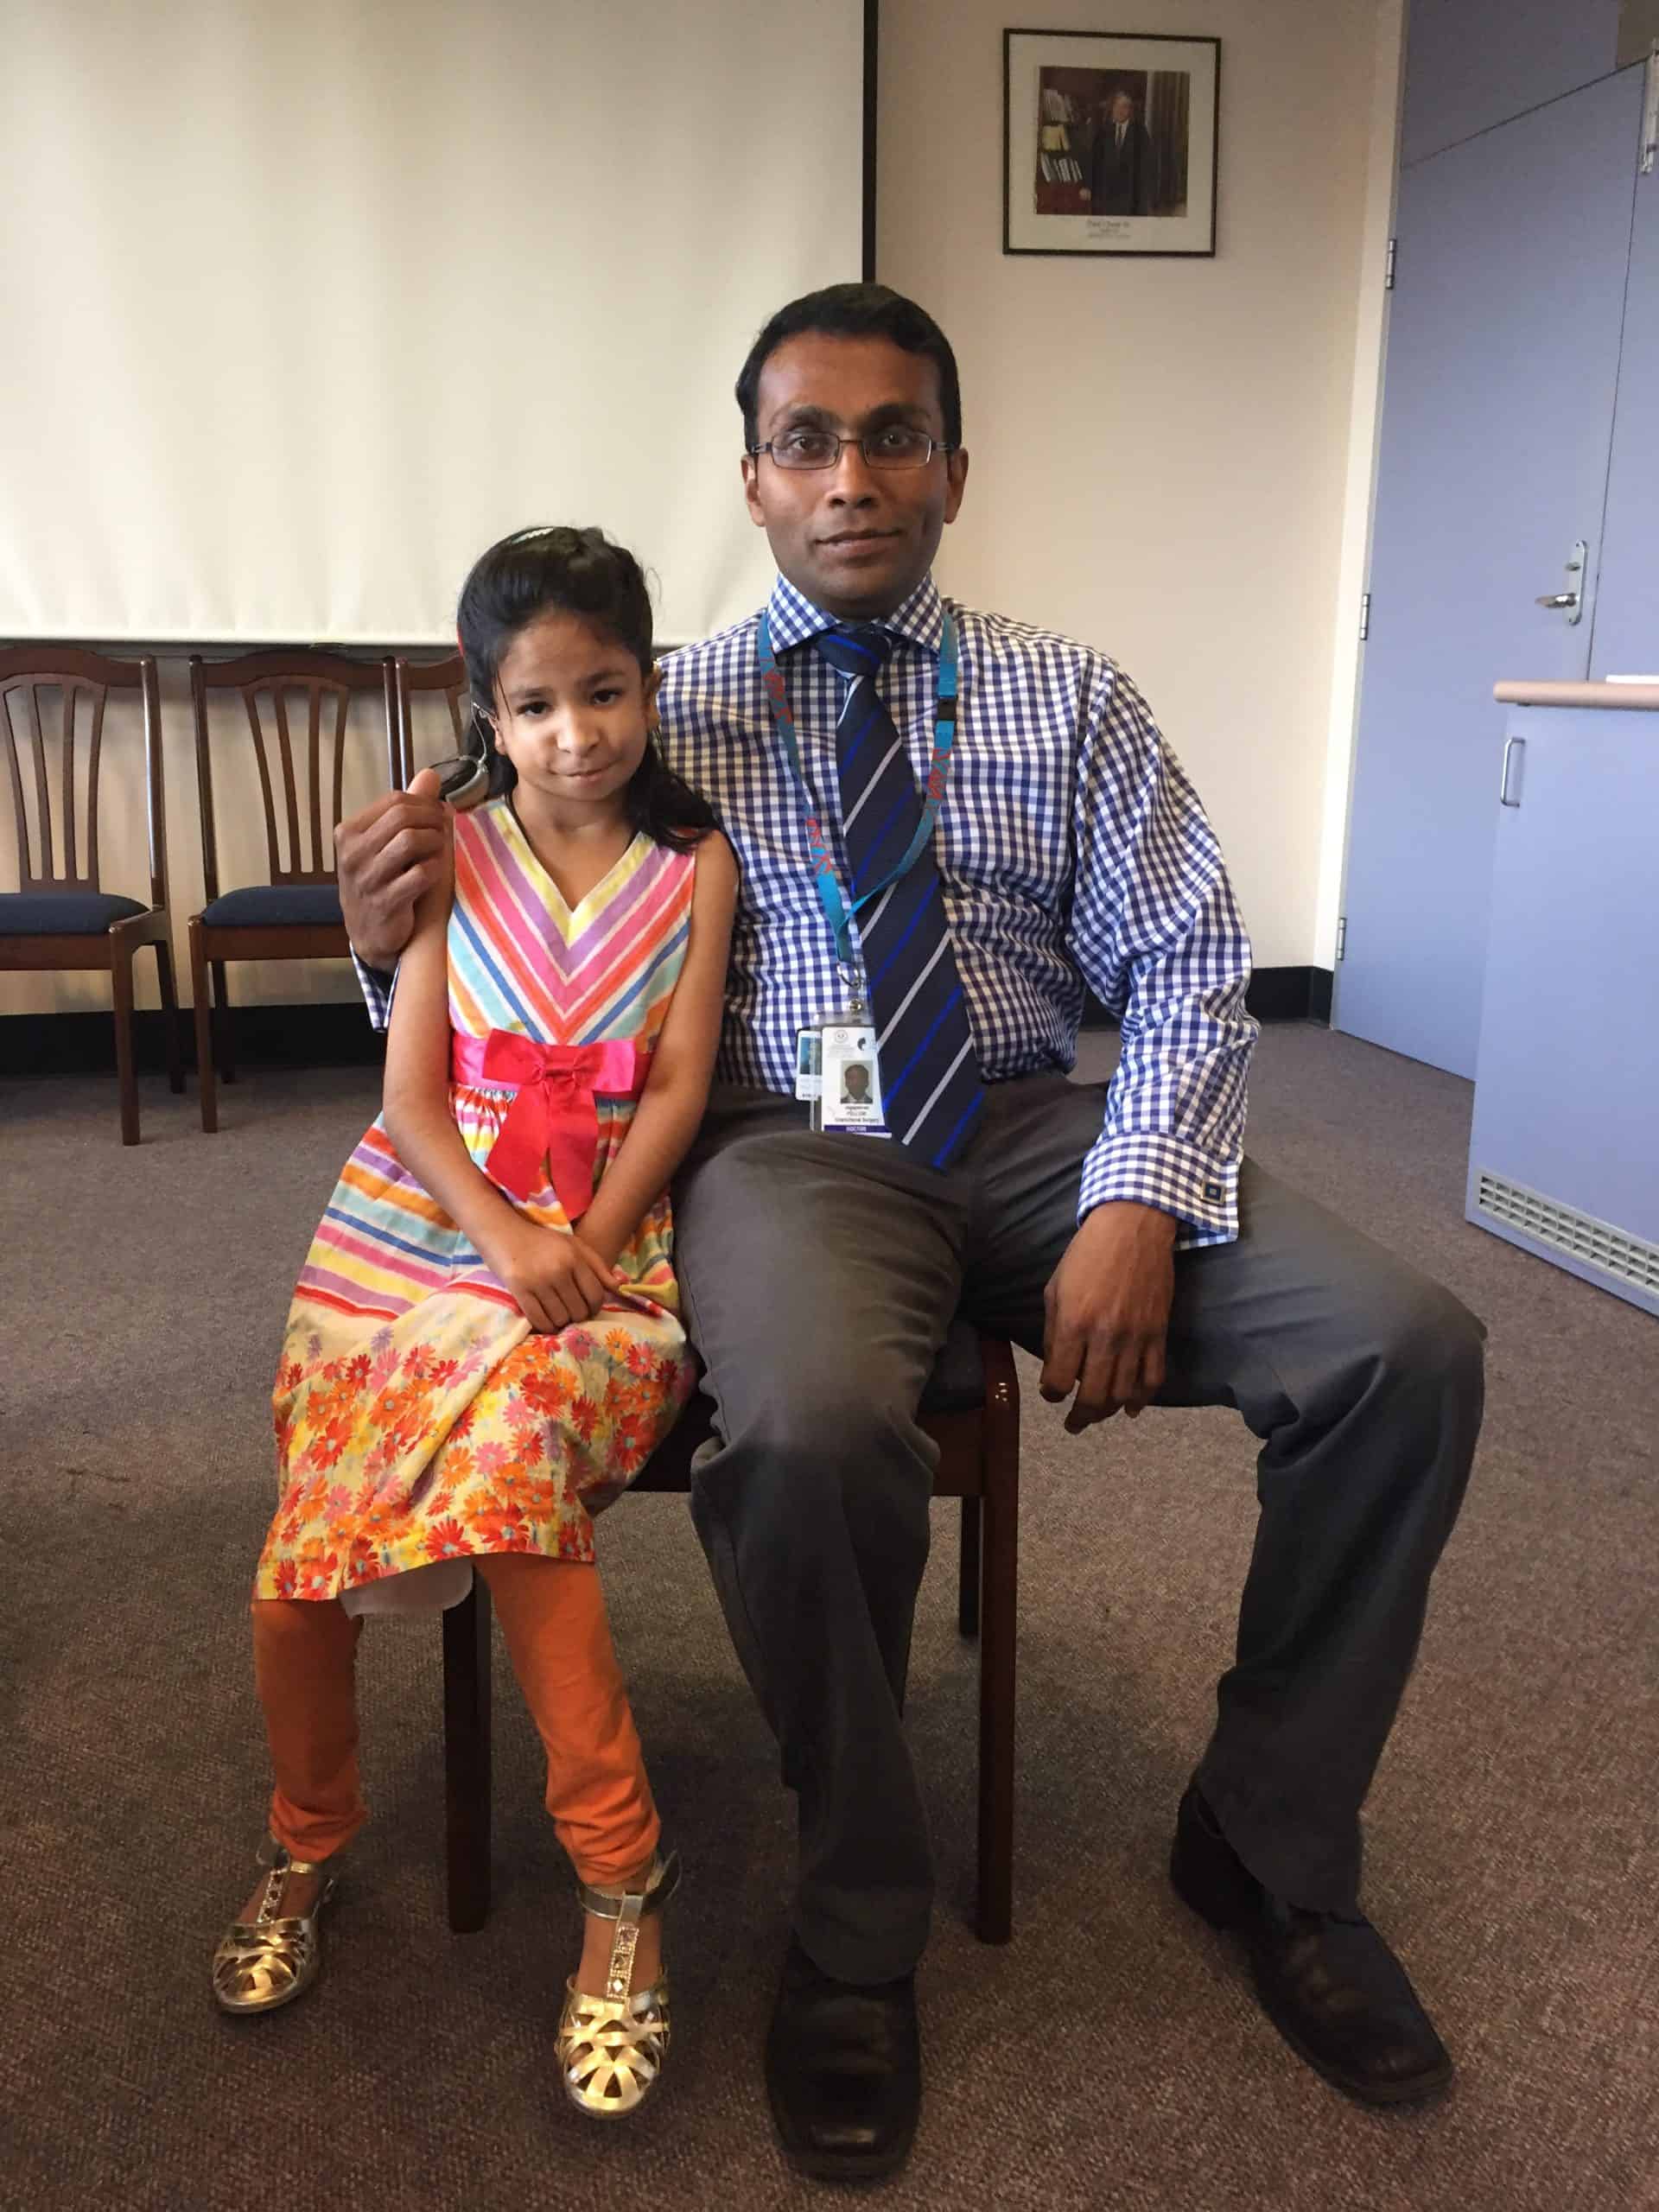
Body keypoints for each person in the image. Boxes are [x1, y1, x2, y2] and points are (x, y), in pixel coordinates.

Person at [337, 287, 1484, 2182]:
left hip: (1044, 1124)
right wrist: (380, 928)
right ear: (753, 479)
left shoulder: (1073, 692)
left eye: (891, 437)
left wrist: (1136, 1188)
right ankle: (857, 1921)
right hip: (793, 1144)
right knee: (798, 1432)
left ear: (953, 466)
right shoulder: (646, 699)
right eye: (807, 440)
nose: (850, 476)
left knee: (1408, 1349)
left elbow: (1194, 963)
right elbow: (485, 929)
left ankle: (1268, 1843)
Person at [213, 525, 737, 2126]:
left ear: (650, 685)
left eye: (605, 692)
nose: (574, 733)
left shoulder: (696, 867)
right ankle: (306, 1837)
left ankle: (621, 1881)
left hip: (605, 1257)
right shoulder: (451, 840)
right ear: (484, 713)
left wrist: (573, 1242)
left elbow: (681, 1089)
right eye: (533, 704)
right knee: (302, 1552)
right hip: (417, 1229)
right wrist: (500, 1234)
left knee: (513, 1473)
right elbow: (411, 1093)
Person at [1089, 86, 1153, 217]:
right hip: (1105, 198)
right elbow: (1094, 161)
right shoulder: (1104, 131)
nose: (1119, 111)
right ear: (1112, 108)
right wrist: (1088, 186)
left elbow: (1146, 168)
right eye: (1116, 106)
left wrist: (1143, 199)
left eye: (1124, 107)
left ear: (1130, 110)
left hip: (1130, 200)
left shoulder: (1140, 132)